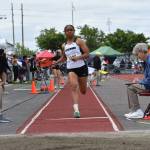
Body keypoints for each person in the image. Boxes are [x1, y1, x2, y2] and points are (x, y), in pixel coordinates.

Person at [53, 25, 89, 118]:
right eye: (67, 30)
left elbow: (87, 54)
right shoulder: (64, 45)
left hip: (81, 67)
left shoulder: (79, 41)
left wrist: (78, 57)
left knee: (83, 90)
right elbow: (64, 57)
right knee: (73, 86)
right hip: (71, 68)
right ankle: (76, 109)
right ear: (64, 32)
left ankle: (84, 86)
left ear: (74, 31)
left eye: (71, 30)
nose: (69, 32)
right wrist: (55, 62)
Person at [124, 43, 150, 119]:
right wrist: (140, 81)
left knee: (131, 87)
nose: (137, 56)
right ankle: (135, 110)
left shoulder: (149, 61)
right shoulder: (146, 61)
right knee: (131, 85)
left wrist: (140, 82)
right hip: (148, 84)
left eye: (137, 54)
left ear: (142, 51)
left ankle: (136, 111)